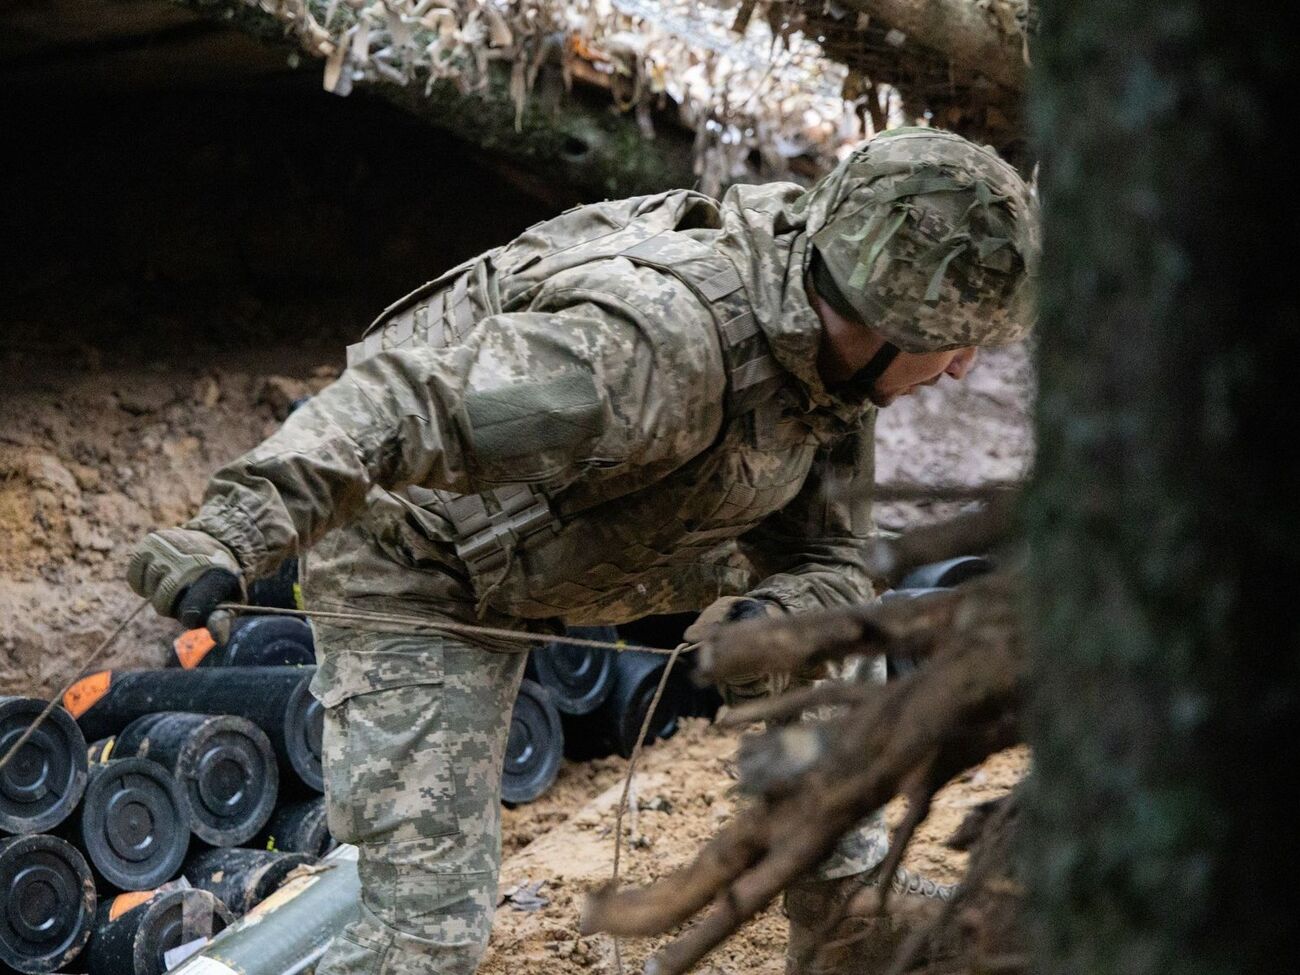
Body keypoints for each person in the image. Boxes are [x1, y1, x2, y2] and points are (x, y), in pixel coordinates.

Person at [127, 127, 1038, 975]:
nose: (960, 369)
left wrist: (779, 616)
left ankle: (845, 907)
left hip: (623, 535)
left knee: (833, 628)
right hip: (426, 570)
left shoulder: (828, 356)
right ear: (878, 315)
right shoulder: (647, 353)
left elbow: (837, 554)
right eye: (952, 344)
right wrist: (238, 526)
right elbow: (402, 403)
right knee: (425, 935)